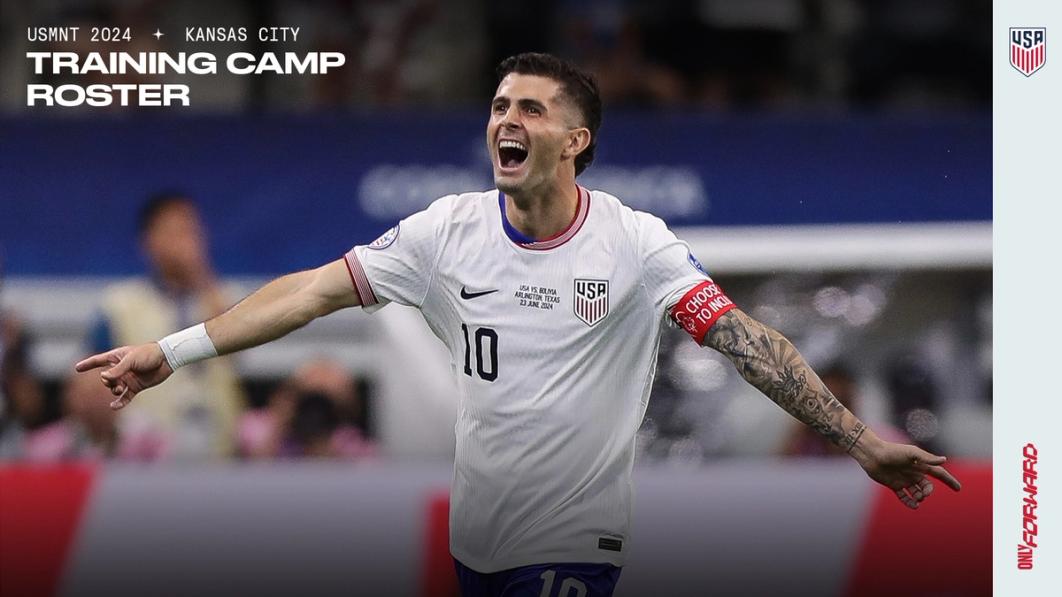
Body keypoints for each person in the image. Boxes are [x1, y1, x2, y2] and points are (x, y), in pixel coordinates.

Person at [76, 53, 961, 596]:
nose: (507, 119)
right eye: (500, 106)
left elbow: (748, 344)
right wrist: (171, 349)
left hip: (577, 538)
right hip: (480, 542)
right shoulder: (443, 231)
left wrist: (855, 439)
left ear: (575, 140)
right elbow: (309, 291)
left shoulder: (636, 243)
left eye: (530, 108)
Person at [87, 193, 244, 460]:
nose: (186, 242)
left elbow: (238, 351)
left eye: (192, 231)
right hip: (146, 456)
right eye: (175, 232)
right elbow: (92, 378)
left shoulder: (225, 298)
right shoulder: (120, 304)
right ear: (148, 241)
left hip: (220, 449)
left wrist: (200, 275)